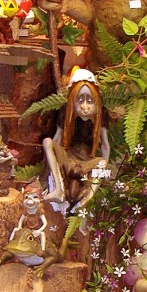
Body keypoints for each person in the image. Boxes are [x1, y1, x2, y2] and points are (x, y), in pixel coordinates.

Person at [41, 67, 110, 209]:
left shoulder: (101, 114)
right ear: (72, 100)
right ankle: (58, 189)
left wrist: (104, 171)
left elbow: (105, 145)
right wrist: (52, 161)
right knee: (47, 142)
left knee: (102, 163)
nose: (85, 107)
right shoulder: (65, 111)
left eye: (90, 101)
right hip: (69, 157)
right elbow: (57, 139)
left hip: (87, 161)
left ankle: (86, 200)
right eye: (80, 100)